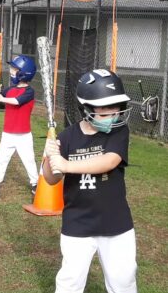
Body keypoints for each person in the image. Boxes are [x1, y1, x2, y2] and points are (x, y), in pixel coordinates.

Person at [43, 69, 137, 293]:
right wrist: (50, 158)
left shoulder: (118, 132)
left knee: (123, 280)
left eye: (117, 110)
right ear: (86, 109)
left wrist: (67, 165)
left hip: (116, 223)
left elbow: (109, 161)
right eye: (106, 112)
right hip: (78, 222)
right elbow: (50, 179)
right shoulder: (66, 137)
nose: (113, 117)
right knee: (70, 281)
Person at [0, 55, 38, 198]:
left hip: (23, 135)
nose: (11, 71)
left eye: (14, 69)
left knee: (29, 160)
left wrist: (2, 98)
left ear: (24, 72)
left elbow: (17, 101)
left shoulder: (29, 91)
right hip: (8, 134)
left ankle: (35, 183)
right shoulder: (10, 89)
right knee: (2, 159)